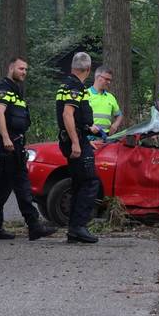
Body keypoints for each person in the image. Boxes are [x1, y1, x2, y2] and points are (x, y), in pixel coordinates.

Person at [0, 57, 57, 241]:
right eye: (21, 68)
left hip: (15, 142)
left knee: (2, 188)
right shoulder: (4, 88)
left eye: (26, 69)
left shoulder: (16, 90)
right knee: (21, 184)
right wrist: (6, 138)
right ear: (11, 68)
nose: (24, 72)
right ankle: (34, 225)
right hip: (9, 144)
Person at [56, 52, 101, 244]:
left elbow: (74, 117)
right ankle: (78, 226)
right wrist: (76, 142)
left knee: (78, 183)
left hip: (77, 137)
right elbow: (68, 115)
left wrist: (85, 132)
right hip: (74, 141)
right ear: (88, 70)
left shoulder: (65, 84)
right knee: (90, 182)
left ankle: (74, 230)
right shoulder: (76, 86)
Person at [87, 65, 123, 137]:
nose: (109, 82)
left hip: (106, 137)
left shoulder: (110, 97)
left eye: (110, 80)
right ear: (97, 77)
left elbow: (119, 115)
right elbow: (77, 116)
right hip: (88, 137)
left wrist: (115, 125)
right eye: (106, 79)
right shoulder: (85, 94)